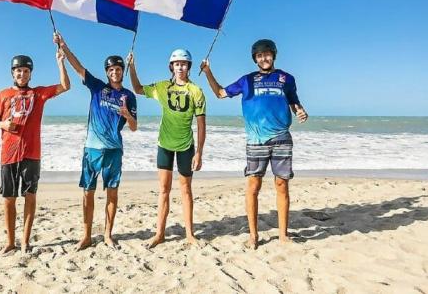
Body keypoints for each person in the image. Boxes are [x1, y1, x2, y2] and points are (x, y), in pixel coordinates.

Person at [200, 39, 308, 249]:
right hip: (256, 141)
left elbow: (294, 101)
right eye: (259, 56)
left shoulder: (286, 78)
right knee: (253, 186)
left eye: (267, 54)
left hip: (281, 138)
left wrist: (300, 110)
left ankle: (283, 235)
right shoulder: (247, 80)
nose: (264, 58)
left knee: (282, 185)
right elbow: (220, 93)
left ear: (273, 55)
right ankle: (253, 235)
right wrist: (207, 72)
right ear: (255, 59)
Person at [53, 33, 137, 250]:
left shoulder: (128, 96)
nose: (115, 72)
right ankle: (87, 235)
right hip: (92, 148)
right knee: (87, 192)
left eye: (118, 69)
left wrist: (127, 115)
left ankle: (108, 235)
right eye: (111, 70)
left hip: (114, 150)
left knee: (112, 192)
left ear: (122, 71)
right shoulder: (98, 87)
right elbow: (78, 67)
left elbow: (134, 127)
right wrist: (64, 46)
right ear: (107, 72)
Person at [0, 51, 70, 253]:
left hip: (32, 153)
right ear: (12, 73)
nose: (22, 74)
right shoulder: (2, 95)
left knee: (30, 196)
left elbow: (66, 86)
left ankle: (25, 241)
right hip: (9, 153)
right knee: (9, 198)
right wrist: (2, 124)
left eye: (25, 71)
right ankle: (10, 242)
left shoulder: (38, 94)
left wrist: (60, 62)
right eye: (18, 71)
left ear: (30, 74)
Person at [127, 49, 206, 248]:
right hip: (165, 145)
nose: (180, 67)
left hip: (186, 146)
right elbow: (137, 88)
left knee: (186, 190)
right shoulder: (162, 87)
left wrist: (199, 153)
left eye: (184, 64)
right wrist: (132, 67)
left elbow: (201, 125)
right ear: (172, 66)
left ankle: (189, 234)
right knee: (163, 190)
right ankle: (159, 233)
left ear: (189, 67)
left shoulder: (196, 91)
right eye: (177, 64)